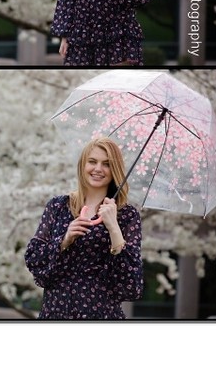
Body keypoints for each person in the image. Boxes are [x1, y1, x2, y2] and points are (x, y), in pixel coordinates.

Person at [24, 137, 143, 319]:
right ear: (82, 165)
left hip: (101, 315)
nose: (98, 169)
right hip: (55, 313)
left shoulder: (127, 215)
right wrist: (65, 240)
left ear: (115, 170)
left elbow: (131, 285)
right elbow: (35, 260)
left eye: (107, 164)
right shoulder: (58, 207)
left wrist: (114, 228)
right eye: (92, 162)